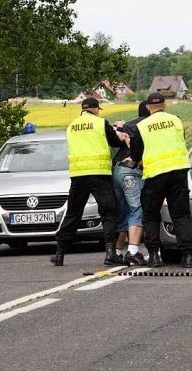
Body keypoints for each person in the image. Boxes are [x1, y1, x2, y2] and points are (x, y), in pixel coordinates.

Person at [51, 97, 128, 266]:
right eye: (98, 109)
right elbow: (114, 142)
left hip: (78, 176)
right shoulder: (100, 123)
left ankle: (59, 253)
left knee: (73, 213)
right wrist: (121, 135)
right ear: (94, 109)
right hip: (99, 174)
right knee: (108, 213)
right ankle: (110, 253)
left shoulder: (72, 126)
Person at [130, 92, 192, 268]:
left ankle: (153, 256)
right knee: (181, 213)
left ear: (148, 107)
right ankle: (187, 256)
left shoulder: (142, 126)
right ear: (165, 105)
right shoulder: (176, 120)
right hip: (178, 172)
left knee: (151, 215)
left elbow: (136, 154)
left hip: (155, 175)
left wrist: (139, 160)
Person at [112, 101, 151, 266]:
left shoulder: (127, 125)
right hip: (132, 171)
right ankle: (133, 251)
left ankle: (116, 252)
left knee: (124, 211)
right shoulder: (149, 125)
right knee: (137, 209)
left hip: (117, 170)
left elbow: (114, 132)